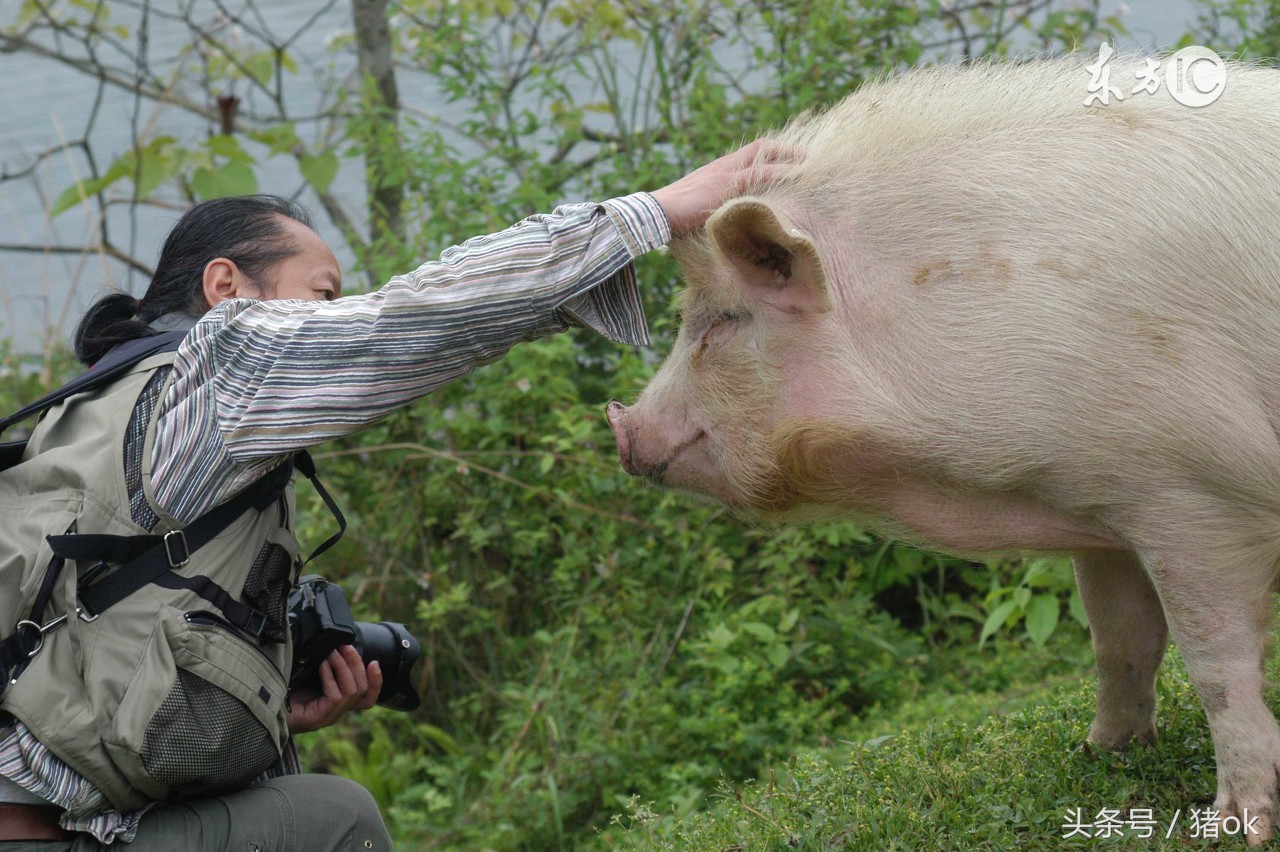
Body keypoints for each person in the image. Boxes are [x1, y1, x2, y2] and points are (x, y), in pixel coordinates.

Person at [0, 140, 798, 849]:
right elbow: (411, 320)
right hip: (57, 829)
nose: (338, 315)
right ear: (225, 287)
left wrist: (268, 711)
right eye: (323, 295)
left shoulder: (88, 408)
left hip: (42, 800)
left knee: (292, 800)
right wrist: (649, 215)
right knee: (340, 818)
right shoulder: (222, 367)